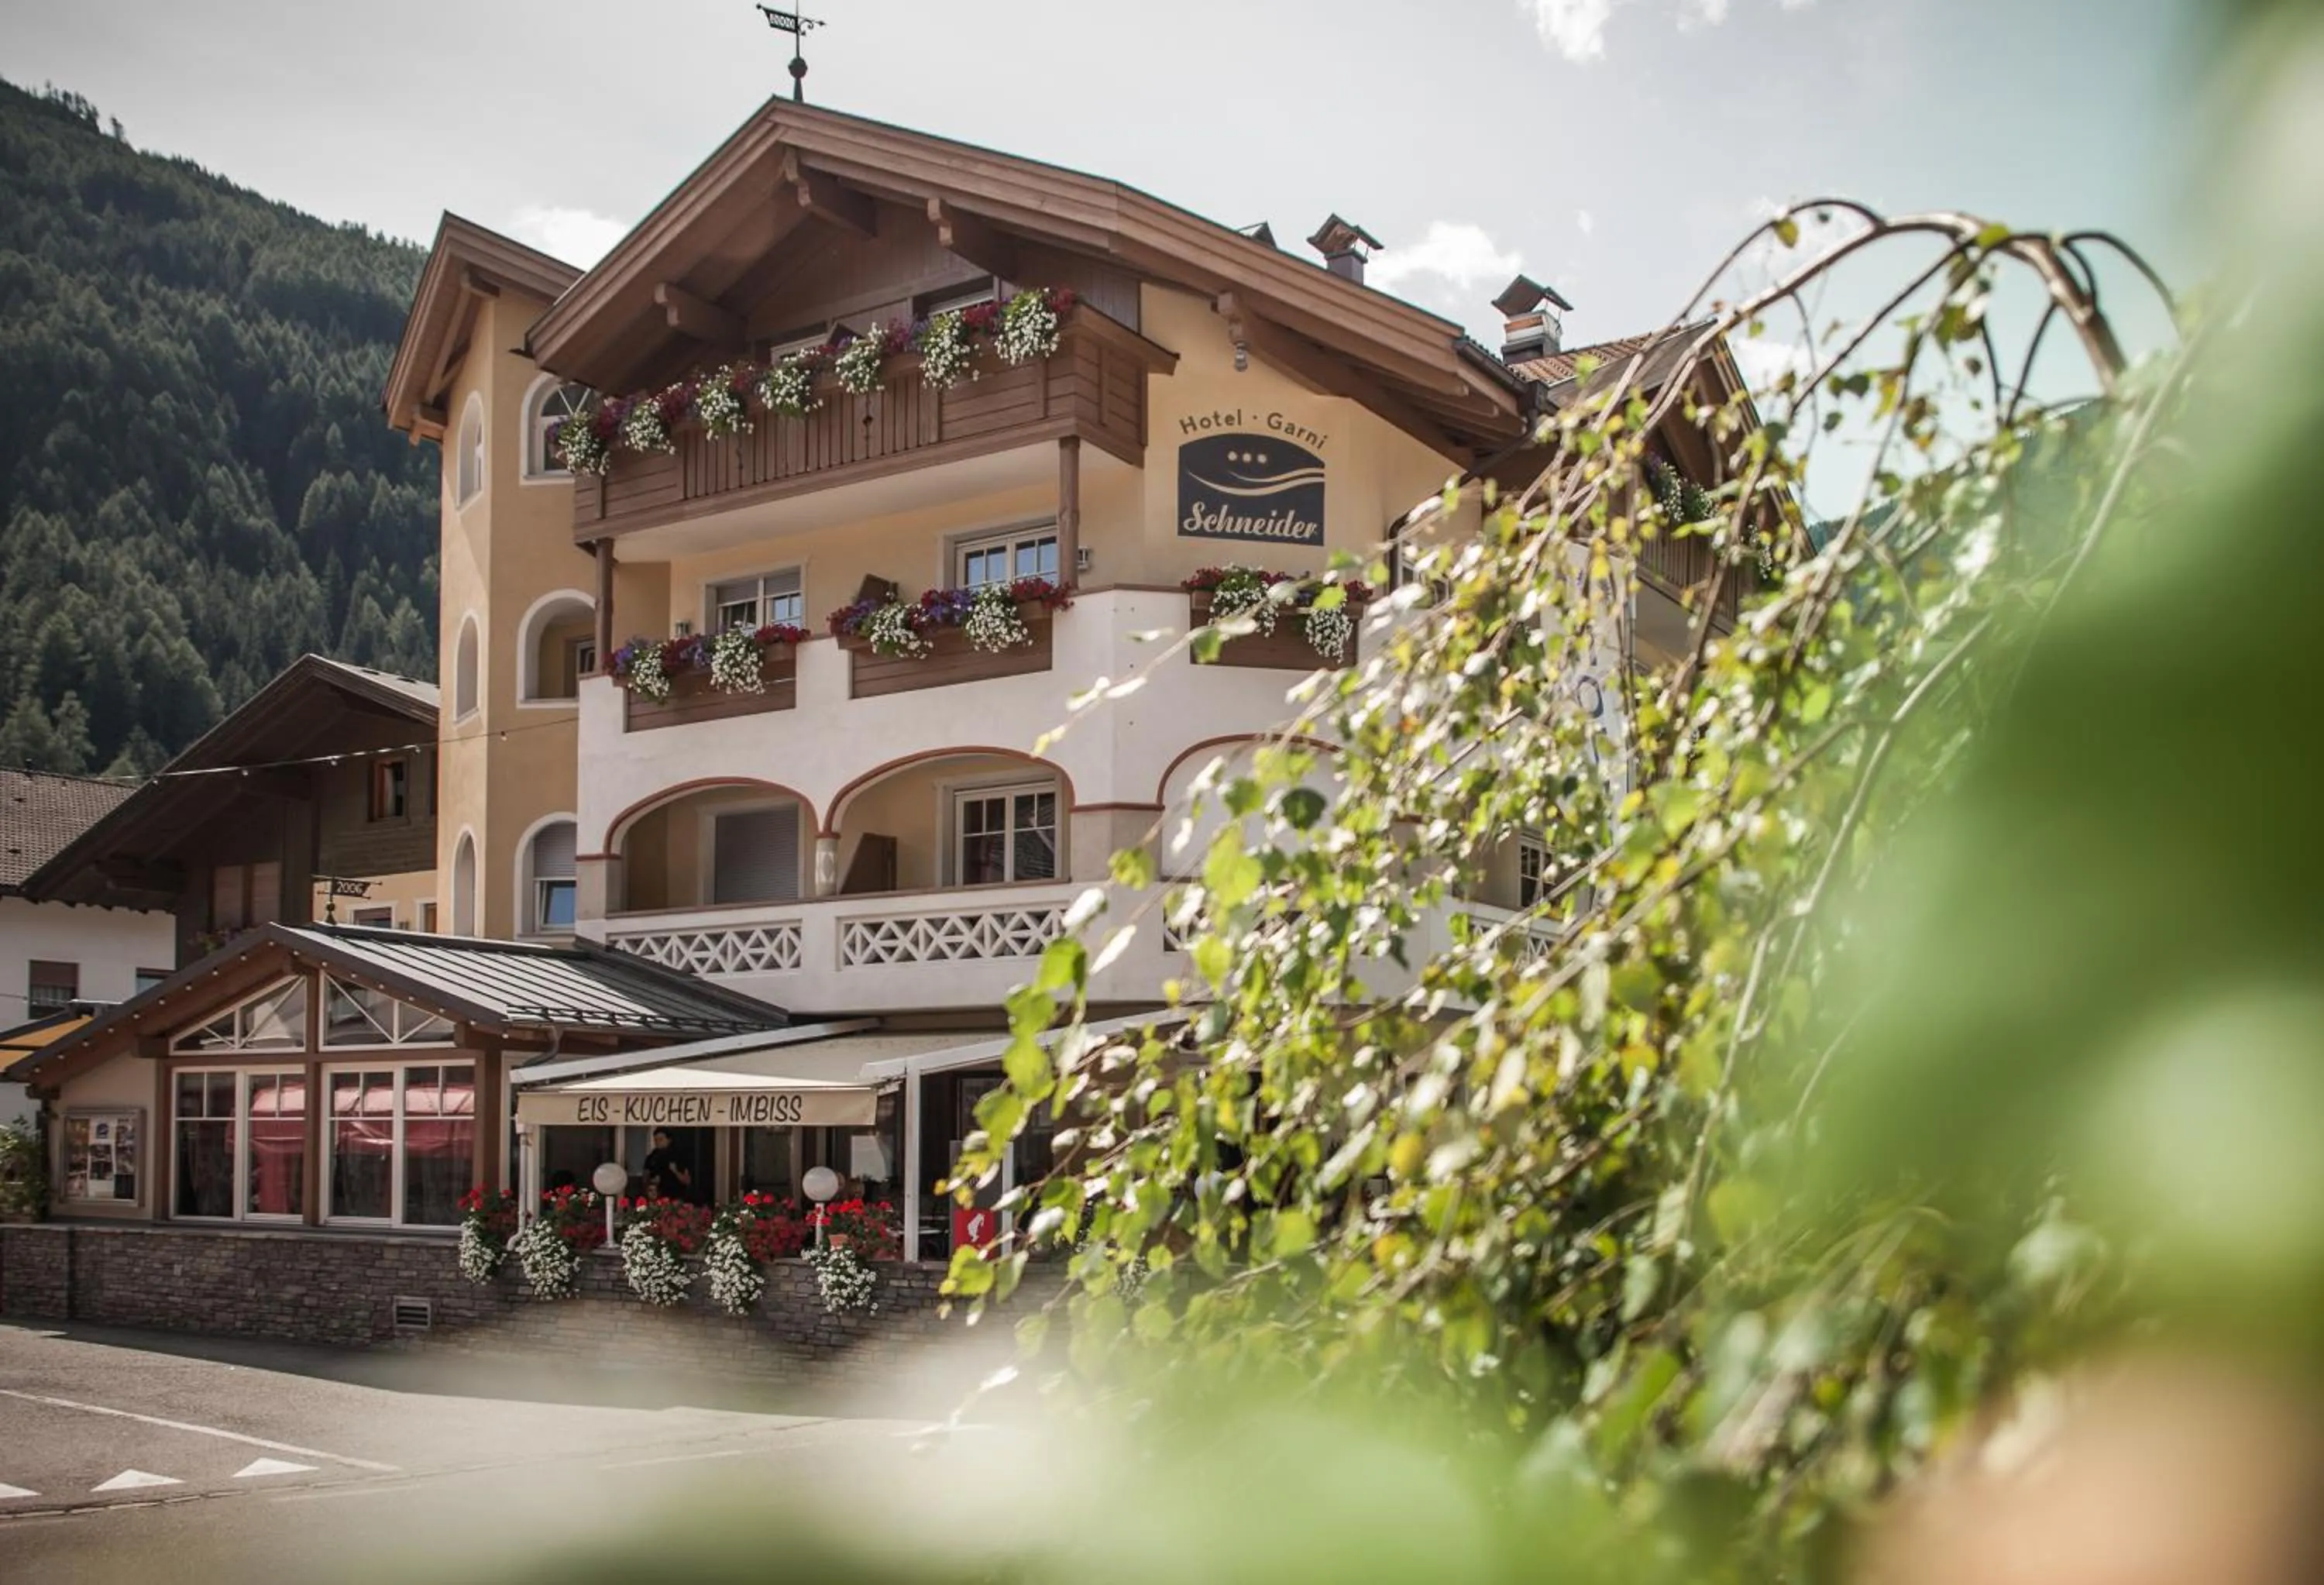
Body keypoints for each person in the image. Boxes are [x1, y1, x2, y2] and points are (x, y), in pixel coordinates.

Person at [641, 1129, 698, 1203]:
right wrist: (651, 1181)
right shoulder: (652, 1157)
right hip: (657, 1200)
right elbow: (645, 1179)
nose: (658, 1142)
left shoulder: (678, 1156)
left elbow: (687, 1181)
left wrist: (675, 1171)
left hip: (676, 1198)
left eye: (661, 1139)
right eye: (656, 1140)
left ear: (669, 1140)